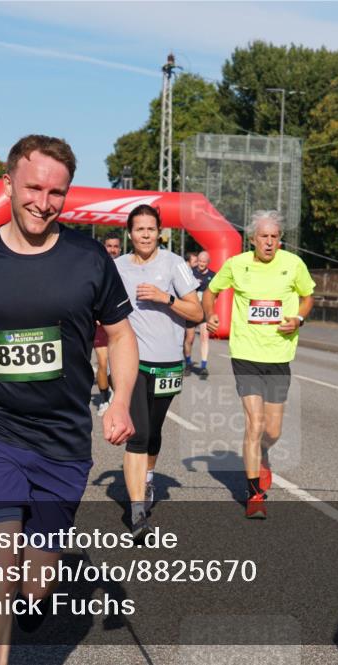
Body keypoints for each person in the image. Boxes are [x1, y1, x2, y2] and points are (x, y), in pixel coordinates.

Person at [0, 134, 138, 664]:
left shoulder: (90, 260)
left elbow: (122, 336)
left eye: (56, 192)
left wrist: (121, 399)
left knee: (35, 581)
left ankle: (34, 595)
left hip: (62, 441)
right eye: (33, 187)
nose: (43, 201)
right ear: (9, 184)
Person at [203, 210, 315, 519]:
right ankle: (254, 496)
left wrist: (299, 318)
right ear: (252, 239)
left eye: (274, 237)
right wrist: (209, 314)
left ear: (280, 240)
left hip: (279, 355)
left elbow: (308, 296)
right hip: (246, 354)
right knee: (254, 424)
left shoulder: (294, 265)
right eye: (263, 237)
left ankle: (264, 452)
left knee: (273, 430)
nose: (269, 242)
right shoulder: (236, 265)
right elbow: (210, 292)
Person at [115, 205, 201, 538]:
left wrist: (166, 298)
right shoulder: (117, 267)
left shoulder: (174, 264)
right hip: (132, 362)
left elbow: (196, 311)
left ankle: (147, 479)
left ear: (160, 232)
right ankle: (137, 513)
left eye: (152, 229)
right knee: (137, 433)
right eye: (140, 229)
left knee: (153, 430)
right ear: (130, 233)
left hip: (167, 362)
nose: (146, 235)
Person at [94, 232, 122, 416]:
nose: (112, 249)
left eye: (115, 246)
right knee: (103, 363)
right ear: (104, 246)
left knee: (120, 365)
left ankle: (118, 396)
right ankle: (104, 400)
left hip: (120, 324)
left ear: (120, 248)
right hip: (99, 323)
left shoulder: (126, 266)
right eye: (109, 246)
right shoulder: (96, 266)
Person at [184, 250, 216, 380]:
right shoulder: (191, 272)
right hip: (191, 310)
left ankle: (203, 366)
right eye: (200, 261)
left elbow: (215, 294)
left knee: (204, 337)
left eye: (204, 262)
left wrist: (211, 309)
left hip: (204, 311)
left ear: (208, 263)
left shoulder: (212, 275)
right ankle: (187, 363)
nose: (201, 264)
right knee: (189, 338)